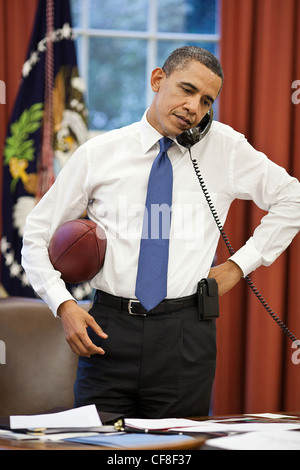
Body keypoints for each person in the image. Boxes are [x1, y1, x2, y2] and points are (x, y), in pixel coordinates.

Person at [22, 46, 300, 418]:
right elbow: (36, 234)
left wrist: (239, 266)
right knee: (93, 445)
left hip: (186, 337)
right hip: (107, 332)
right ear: (157, 80)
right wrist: (64, 304)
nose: (194, 108)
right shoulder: (99, 153)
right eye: (186, 90)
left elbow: (292, 199)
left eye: (206, 101)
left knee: (177, 452)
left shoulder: (225, 148)